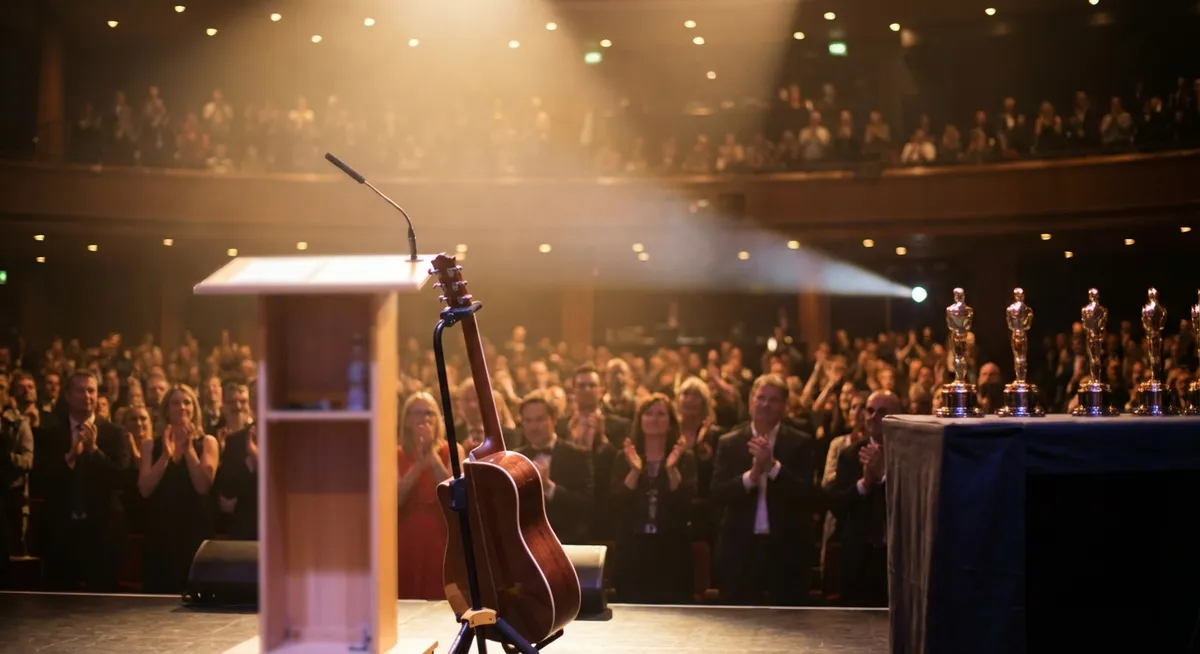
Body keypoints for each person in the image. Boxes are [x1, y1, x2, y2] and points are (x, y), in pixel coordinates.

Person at [710, 374, 817, 606]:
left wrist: (772, 467)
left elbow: (808, 497)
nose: (766, 404)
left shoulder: (801, 442)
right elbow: (718, 493)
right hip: (740, 550)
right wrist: (752, 476)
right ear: (751, 401)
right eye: (761, 398)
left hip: (787, 552)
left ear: (785, 406)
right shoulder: (730, 442)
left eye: (774, 399)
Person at [611, 394, 696, 603]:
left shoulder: (686, 458)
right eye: (648, 414)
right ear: (640, 421)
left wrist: (671, 471)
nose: (654, 419)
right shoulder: (623, 458)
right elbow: (615, 507)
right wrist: (635, 471)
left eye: (661, 414)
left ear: (670, 422)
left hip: (671, 550)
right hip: (633, 550)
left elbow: (687, 508)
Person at [138, 385, 219, 593]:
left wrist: (189, 449)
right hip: (161, 529)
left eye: (187, 402)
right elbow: (144, 489)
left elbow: (203, 486)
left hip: (195, 527)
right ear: (166, 409)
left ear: (195, 408)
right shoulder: (150, 445)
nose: (182, 407)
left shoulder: (207, 442)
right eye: (175, 402)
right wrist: (165, 456)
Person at [828, 389, 903, 607]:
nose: (873, 417)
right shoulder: (850, 455)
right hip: (858, 558)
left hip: (897, 557)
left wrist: (884, 477)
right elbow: (837, 504)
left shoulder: (910, 453)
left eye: (881, 412)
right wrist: (865, 484)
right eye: (869, 411)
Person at [396, 392, 461, 600]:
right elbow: (395, 498)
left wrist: (431, 456)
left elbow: (453, 493)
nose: (424, 419)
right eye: (417, 414)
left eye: (429, 413)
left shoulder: (452, 450)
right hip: (406, 537)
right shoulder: (395, 453)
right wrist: (418, 465)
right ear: (406, 420)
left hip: (441, 537)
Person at [514, 391, 594, 545]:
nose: (534, 427)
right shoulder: (515, 459)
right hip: (527, 546)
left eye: (540, 420)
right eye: (528, 421)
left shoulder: (578, 456)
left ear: (554, 419)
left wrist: (548, 486)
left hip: (568, 545)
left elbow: (585, 506)